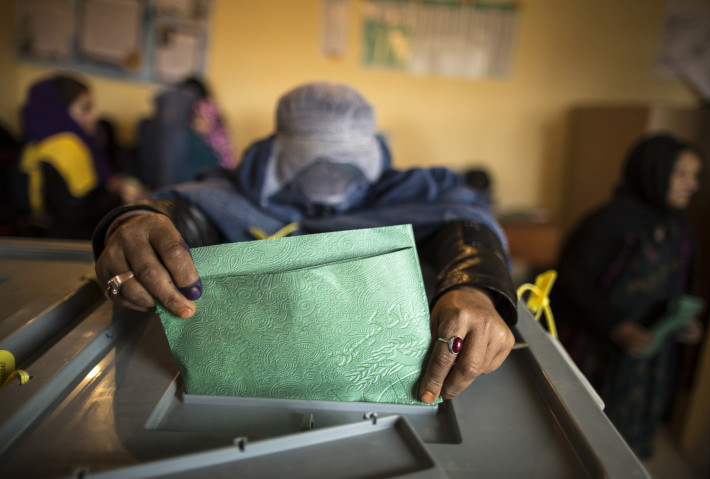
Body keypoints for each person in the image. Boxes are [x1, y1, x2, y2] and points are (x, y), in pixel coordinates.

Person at [93, 82, 517, 403]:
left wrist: (474, 285)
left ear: (372, 152)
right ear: (276, 153)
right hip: (244, 385)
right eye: (310, 161)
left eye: (345, 163)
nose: (329, 178)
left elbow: (463, 223)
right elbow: (185, 211)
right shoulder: (233, 193)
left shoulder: (413, 192)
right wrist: (134, 224)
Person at [552, 133, 703, 459]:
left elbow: (682, 283)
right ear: (654, 171)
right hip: (599, 351)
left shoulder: (680, 227)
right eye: (682, 174)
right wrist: (617, 325)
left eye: (695, 176)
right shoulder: (610, 223)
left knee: (630, 441)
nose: (692, 184)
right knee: (585, 437)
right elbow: (572, 282)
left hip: (650, 355)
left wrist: (685, 321)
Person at [17, 74, 144, 239]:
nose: (93, 116)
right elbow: (81, 210)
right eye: (85, 108)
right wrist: (120, 197)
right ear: (57, 110)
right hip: (71, 244)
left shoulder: (34, 145)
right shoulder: (68, 146)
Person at [136, 77, 234, 189]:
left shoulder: (213, 138)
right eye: (197, 118)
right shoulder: (186, 135)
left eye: (205, 118)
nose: (199, 122)